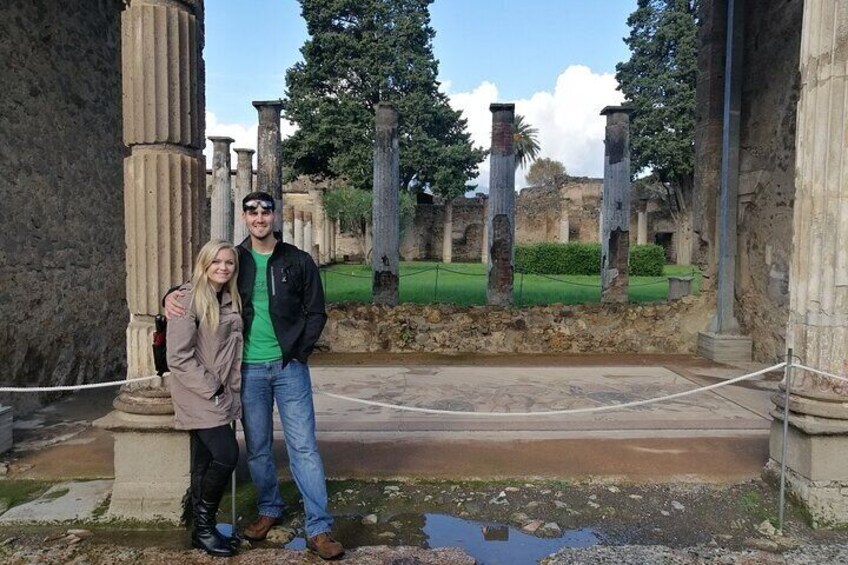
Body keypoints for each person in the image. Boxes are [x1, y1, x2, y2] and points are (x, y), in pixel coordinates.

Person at [166, 191, 344, 560]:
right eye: (252, 211)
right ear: (244, 217)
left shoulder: (298, 260)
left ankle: (319, 527)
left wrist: (298, 353)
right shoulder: (235, 259)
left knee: (304, 447)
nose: (259, 217)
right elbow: (199, 285)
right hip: (245, 370)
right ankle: (269, 508)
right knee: (259, 448)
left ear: (274, 216)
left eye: (265, 210)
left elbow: (316, 313)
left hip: (288, 368)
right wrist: (168, 295)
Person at [167, 239, 243, 558]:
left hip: (220, 392)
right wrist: (212, 387)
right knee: (227, 455)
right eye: (217, 262)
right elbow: (179, 356)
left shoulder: (226, 296)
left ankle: (203, 531)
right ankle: (204, 527)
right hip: (200, 392)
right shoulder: (188, 299)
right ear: (204, 264)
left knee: (203, 460)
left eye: (229, 263)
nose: (223, 267)